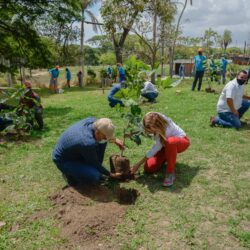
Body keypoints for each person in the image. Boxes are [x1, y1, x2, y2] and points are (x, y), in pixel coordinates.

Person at [52, 117, 125, 186]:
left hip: (74, 150)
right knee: (95, 176)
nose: (106, 139)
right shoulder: (87, 143)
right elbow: (94, 162)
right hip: (63, 160)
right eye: (104, 137)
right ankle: (69, 175)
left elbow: (103, 134)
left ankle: (86, 167)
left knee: (102, 142)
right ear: (97, 132)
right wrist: (111, 174)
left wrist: (115, 140)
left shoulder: (94, 122)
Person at [131, 112, 190, 187]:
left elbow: (155, 148)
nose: (151, 132)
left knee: (170, 142)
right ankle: (168, 157)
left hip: (181, 142)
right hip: (165, 146)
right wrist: (130, 134)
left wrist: (138, 164)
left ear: (158, 126)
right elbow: (140, 128)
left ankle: (170, 172)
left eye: (153, 131)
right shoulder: (147, 120)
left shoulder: (167, 127)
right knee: (148, 168)